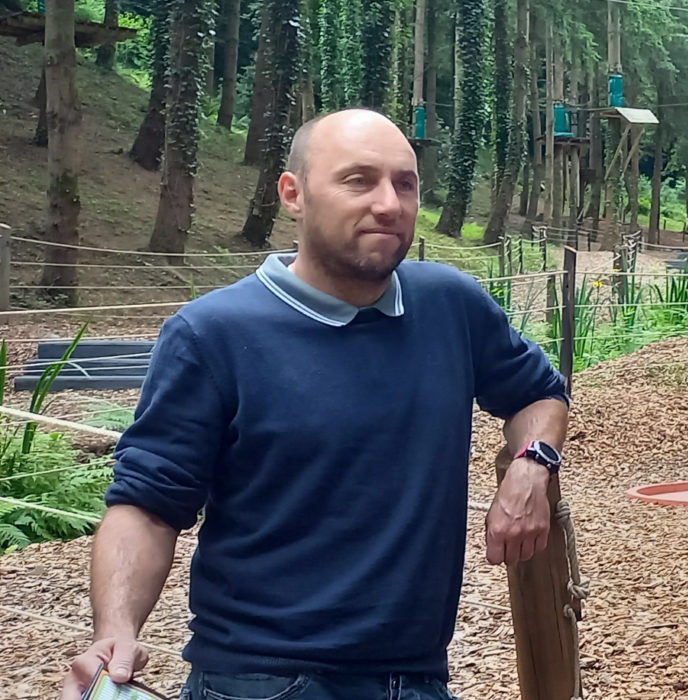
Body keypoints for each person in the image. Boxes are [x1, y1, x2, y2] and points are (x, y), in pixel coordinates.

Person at [58, 109, 572, 700]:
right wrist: (115, 633)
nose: (388, 204)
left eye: (405, 184)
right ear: (293, 194)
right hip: (261, 679)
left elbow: (538, 393)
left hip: (418, 676)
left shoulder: (451, 305)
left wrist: (533, 464)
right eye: (358, 180)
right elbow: (147, 505)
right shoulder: (212, 333)